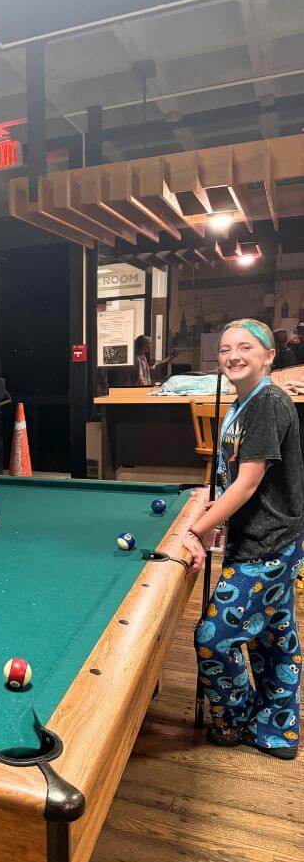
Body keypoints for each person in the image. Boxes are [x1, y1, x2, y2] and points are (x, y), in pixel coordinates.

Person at [184, 319, 303, 760]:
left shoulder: (267, 402)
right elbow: (229, 475)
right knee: (275, 637)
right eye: (225, 349)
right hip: (264, 540)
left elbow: (247, 485)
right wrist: (204, 502)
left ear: (269, 355)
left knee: (214, 638)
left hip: (267, 544)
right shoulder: (241, 403)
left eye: (245, 348)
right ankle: (279, 730)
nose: (233, 355)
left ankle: (234, 721)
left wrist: (197, 528)